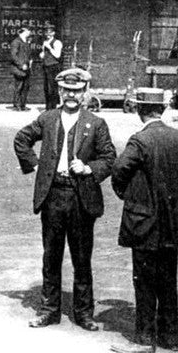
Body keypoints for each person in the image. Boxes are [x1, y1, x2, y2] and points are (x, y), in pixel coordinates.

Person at [14, 68, 116, 332]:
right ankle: (49, 311)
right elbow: (21, 139)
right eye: (67, 90)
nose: (71, 95)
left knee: (82, 258)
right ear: (59, 91)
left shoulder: (96, 123)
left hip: (81, 197)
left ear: (84, 93)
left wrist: (89, 168)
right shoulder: (47, 119)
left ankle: (83, 314)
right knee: (51, 256)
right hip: (53, 196)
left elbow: (109, 158)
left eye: (77, 91)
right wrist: (36, 165)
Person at [109, 88, 178, 353]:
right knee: (168, 280)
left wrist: (130, 195)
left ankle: (143, 341)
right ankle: (170, 340)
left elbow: (119, 170)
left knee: (143, 281)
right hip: (173, 222)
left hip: (143, 222)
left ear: (140, 111)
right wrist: (175, 193)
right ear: (161, 110)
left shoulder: (139, 140)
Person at [9, 27, 33, 111]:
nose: (29, 32)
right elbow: (13, 56)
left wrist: (30, 61)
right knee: (19, 87)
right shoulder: (16, 42)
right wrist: (21, 65)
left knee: (25, 87)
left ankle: (23, 105)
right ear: (22, 32)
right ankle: (17, 105)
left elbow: (27, 54)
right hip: (19, 69)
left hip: (26, 68)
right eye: (27, 31)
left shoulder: (26, 42)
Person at [40, 27, 63, 110]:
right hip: (46, 66)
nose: (48, 34)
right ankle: (48, 107)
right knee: (46, 88)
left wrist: (49, 47)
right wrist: (42, 55)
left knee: (52, 88)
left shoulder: (57, 42)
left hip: (53, 67)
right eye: (46, 32)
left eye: (50, 32)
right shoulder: (45, 42)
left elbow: (57, 55)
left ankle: (53, 107)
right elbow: (43, 54)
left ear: (53, 33)